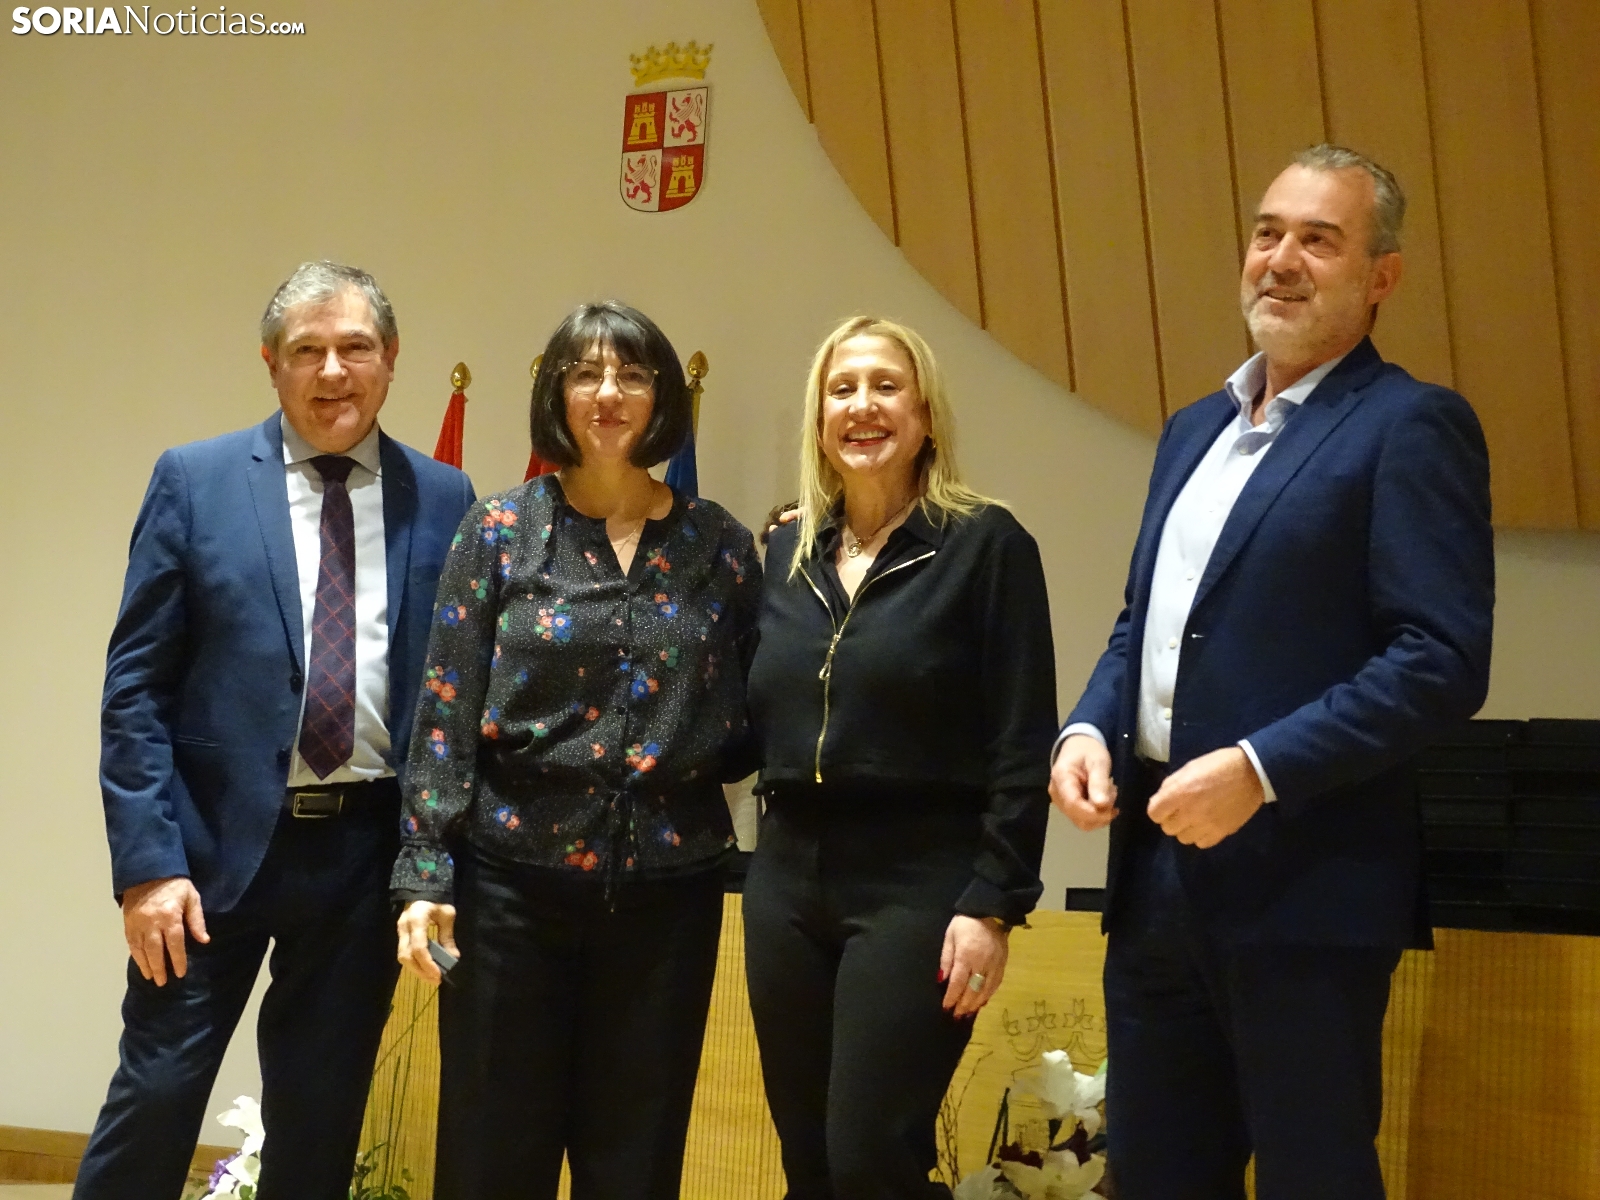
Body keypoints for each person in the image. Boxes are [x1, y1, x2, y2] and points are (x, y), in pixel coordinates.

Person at [1050, 144, 1494, 1200]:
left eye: (1319, 240)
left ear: (1380, 277)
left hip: (1306, 890)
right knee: (1153, 1178)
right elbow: (1145, 626)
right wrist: (1087, 727)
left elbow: (1439, 660)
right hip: (1156, 882)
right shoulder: (1191, 430)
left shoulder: (1410, 425)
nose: (1281, 260)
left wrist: (1258, 768)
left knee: (1311, 1178)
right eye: (1267, 233)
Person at [77, 261, 476, 1200]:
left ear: (391, 358)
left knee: (320, 1120)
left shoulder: (446, 497)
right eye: (308, 350)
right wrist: (147, 866)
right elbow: (134, 690)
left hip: (360, 859)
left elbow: (451, 697)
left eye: (355, 348)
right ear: (271, 362)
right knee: (157, 1099)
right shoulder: (197, 480)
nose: (333, 371)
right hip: (205, 859)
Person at [392, 301, 761, 1200]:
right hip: (510, 890)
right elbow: (445, 709)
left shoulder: (721, 546)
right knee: (491, 1154)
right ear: (556, 393)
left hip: (667, 897)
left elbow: (756, 705)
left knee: (635, 1159)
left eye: (632, 375)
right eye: (586, 373)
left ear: (662, 398)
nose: (608, 393)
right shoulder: (497, 531)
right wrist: (425, 868)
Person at [745, 316, 1058, 1199]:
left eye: (886, 386)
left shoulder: (987, 546)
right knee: (809, 1162)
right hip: (786, 878)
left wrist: (994, 903)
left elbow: (1021, 738)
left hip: (919, 883)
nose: (863, 406)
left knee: (870, 1158)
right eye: (841, 389)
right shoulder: (788, 551)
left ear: (925, 415)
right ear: (819, 423)